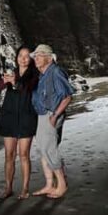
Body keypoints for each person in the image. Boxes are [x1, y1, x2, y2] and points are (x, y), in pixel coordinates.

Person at [30, 44, 74, 199]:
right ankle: (49, 185)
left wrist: (55, 116)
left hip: (50, 115)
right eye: (35, 56)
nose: (36, 58)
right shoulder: (43, 74)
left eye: (39, 55)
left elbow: (67, 96)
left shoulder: (55, 72)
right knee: (44, 150)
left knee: (49, 149)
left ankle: (62, 185)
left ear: (49, 57)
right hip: (43, 115)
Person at [0, 46, 39, 199]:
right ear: (16, 57)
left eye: (27, 56)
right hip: (10, 117)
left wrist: (15, 82)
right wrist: (3, 80)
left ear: (31, 59)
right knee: (9, 155)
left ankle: (25, 189)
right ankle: (8, 188)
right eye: (20, 55)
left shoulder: (34, 75)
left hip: (27, 118)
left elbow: (27, 89)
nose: (23, 58)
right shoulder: (12, 72)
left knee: (24, 155)